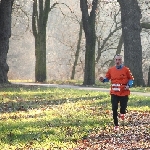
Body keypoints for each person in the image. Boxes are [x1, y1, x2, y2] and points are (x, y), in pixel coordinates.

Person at [99, 54, 134, 131]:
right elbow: (107, 78)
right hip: (114, 92)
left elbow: (131, 79)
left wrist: (129, 85)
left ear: (122, 61)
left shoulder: (126, 70)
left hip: (124, 92)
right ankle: (116, 125)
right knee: (114, 108)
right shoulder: (111, 70)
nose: (118, 61)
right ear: (114, 60)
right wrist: (103, 79)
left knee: (123, 108)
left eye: (119, 60)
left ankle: (122, 113)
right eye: (116, 60)